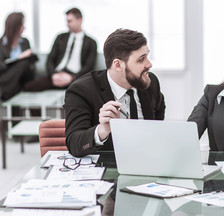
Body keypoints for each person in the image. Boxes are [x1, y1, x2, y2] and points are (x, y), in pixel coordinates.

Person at [64, 28, 165, 157]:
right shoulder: (81, 90)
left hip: (147, 160)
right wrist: (102, 130)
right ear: (118, 65)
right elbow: (74, 144)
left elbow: (159, 117)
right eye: (141, 59)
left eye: (147, 56)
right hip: (108, 168)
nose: (149, 64)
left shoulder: (150, 82)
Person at [24, 7, 97, 91]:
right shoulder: (60, 38)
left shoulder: (91, 42)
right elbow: (50, 59)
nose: (67, 24)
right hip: (56, 75)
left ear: (79, 20)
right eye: (66, 21)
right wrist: (53, 75)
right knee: (29, 86)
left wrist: (72, 77)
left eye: (70, 21)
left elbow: (89, 66)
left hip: (76, 78)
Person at [0, 12, 37, 101]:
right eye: (22, 24)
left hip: (23, 77)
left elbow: (31, 65)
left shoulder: (25, 42)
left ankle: (2, 90)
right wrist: (19, 58)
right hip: (6, 76)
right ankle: (11, 90)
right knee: (21, 63)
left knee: (24, 63)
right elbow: (0, 65)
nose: (24, 27)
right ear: (15, 26)